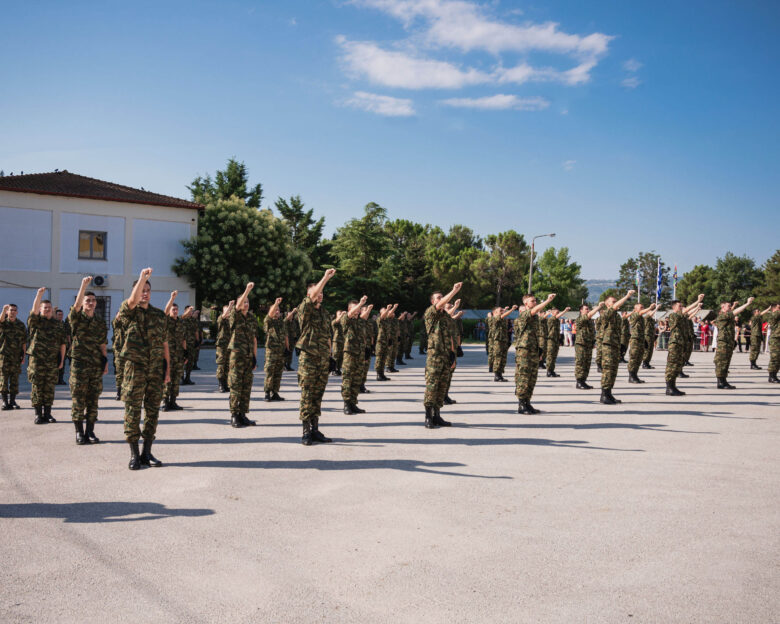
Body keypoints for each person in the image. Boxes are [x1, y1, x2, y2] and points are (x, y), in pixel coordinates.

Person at [118, 268, 170, 470]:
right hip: (135, 370)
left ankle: (147, 452)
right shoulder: (128, 311)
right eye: (141, 289)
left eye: (148, 289)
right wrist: (142, 278)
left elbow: (165, 344)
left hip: (155, 371)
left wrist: (167, 370)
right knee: (132, 412)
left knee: (152, 412)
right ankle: (134, 455)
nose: (145, 293)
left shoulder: (158, 315)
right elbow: (131, 301)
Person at [296, 269, 337, 445]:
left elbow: (328, 336)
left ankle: (315, 429)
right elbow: (312, 296)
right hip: (309, 358)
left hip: (322, 358)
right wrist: (326, 277)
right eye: (317, 292)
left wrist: (330, 356)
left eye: (322, 293)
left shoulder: (325, 313)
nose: (320, 295)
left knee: (318, 395)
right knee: (307, 394)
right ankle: (305, 431)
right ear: (309, 294)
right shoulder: (305, 308)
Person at [68, 276, 108, 444]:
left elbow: (102, 343)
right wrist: (83, 285)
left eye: (92, 300)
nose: (90, 303)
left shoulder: (99, 322)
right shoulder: (77, 318)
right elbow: (76, 306)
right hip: (79, 365)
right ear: (83, 303)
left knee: (93, 399)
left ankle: (90, 431)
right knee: (78, 398)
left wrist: (105, 361)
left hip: (95, 365)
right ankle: (79, 432)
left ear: (96, 303)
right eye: (87, 300)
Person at [422, 283, 462, 428]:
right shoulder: (430, 313)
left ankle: (437, 415)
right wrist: (453, 291)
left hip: (446, 355)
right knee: (432, 386)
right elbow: (441, 305)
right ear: (433, 302)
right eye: (438, 298)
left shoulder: (446, 317)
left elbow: (450, 336)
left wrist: (453, 353)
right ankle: (428, 416)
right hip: (435, 356)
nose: (441, 299)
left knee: (442, 387)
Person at [27, 288, 66, 424]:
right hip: (37, 360)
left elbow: (63, 343)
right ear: (40, 309)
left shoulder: (58, 325)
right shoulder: (36, 321)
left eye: (49, 307)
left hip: (52, 361)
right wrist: (39, 295)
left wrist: (61, 360)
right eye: (44, 308)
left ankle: (48, 413)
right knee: (37, 387)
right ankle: (38, 414)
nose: (47, 309)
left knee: (49, 387)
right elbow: (34, 310)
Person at [515, 293, 556, 414]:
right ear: (526, 304)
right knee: (524, 377)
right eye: (532, 301)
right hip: (524, 350)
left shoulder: (534, 318)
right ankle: (521, 404)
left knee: (532, 377)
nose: (535, 303)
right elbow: (535, 310)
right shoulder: (523, 315)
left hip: (532, 349)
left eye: (535, 301)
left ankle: (527, 402)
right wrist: (548, 300)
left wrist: (539, 350)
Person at [228, 282, 258, 427]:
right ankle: (234, 415)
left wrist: (254, 357)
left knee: (246, 386)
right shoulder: (236, 314)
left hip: (248, 356)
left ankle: (242, 414)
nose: (245, 304)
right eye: (244, 301)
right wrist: (247, 290)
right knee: (236, 385)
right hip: (237, 356)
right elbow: (238, 305)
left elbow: (254, 339)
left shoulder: (252, 319)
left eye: (247, 302)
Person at [598, 290, 636, 405]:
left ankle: (609, 393)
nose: (615, 303)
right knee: (608, 370)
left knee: (613, 371)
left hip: (614, 345)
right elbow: (614, 307)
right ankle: (604, 395)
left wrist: (621, 346)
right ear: (607, 304)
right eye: (613, 302)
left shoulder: (617, 317)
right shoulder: (606, 313)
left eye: (615, 301)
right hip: (608, 346)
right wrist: (627, 296)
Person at [664, 295, 704, 395]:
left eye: (682, 306)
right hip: (675, 343)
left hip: (680, 343)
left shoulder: (681, 316)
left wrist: (697, 308)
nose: (682, 308)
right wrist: (697, 301)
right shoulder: (673, 315)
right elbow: (687, 311)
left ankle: (672, 386)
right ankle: (669, 387)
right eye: (679, 306)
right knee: (672, 365)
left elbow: (689, 314)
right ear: (674, 307)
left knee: (677, 365)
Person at [713, 297, 754, 389]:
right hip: (723, 342)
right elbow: (735, 312)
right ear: (722, 307)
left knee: (726, 362)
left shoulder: (727, 315)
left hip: (728, 341)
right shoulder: (722, 316)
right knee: (722, 362)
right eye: (728, 306)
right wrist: (747, 304)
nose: (730, 307)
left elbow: (732, 312)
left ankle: (723, 381)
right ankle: (720, 382)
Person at [341, 296, 369, 414]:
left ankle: (353, 403)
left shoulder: (360, 321)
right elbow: (350, 314)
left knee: (357, 380)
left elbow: (363, 336)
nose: (357, 310)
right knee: (348, 379)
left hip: (360, 354)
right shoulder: (345, 318)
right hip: (350, 354)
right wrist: (360, 303)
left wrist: (367, 349)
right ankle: (346, 404)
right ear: (349, 309)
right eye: (355, 308)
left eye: (359, 308)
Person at [0, 303, 26, 410]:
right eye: (11, 310)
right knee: (3, 379)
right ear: (7, 312)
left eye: (15, 310)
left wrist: (23, 356)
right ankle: (5, 402)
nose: (13, 312)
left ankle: (13, 401)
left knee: (15, 380)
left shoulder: (20, 325)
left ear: (17, 312)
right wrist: (3, 309)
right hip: (4, 357)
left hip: (16, 357)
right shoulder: (4, 323)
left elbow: (24, 342)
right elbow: (0, 320)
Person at [163, 293, 186, 412]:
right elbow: (166, 311)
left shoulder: (181, 323)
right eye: (173, 309)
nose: (175, 311)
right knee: (167, 378)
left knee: (176, 379)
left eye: (177, 309)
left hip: (178, 355)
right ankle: (165, 402)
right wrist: (172, 298)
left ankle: (173, 401)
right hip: (168, 355)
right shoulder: (167, 320)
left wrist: (185, 352)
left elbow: (183, 339)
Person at [263, 297, 288, 402]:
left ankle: (275, 392)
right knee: (270, 372)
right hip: (271, 352)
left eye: (278, 310)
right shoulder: (268, 321)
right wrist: (275, 303)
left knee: (278, 372)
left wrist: (287, 348)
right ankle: (267, 392)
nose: (277, 312)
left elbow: (285, 335)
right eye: (275, 310)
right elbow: (269, 316)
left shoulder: (281, 322)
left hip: (280, 351)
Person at [574, 302, 603, 389]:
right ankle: (579, 381)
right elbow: (589, 315)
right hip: (581, 344)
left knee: (587, 364)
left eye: (588, 309)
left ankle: (583, 380)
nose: (588, 310)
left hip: (588, 344)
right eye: (586, 309)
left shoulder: (590, 321)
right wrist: (599, 307)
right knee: (581, 363)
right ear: (581, 310)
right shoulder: (580, 319)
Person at [627, 303, 657, 384]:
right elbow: (641, 313)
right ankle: (631, 376)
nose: (643, 308)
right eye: (641, 307)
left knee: (639, 359)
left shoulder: (641, 318)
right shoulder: (634, 315)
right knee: (634, 359)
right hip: (635, 340)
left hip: (641, 340)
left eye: (643, 307)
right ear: (635, 309)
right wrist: (650, 307)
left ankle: (635, 375)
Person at [442, 300, 463, 405]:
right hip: (445, 350)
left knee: (450, 374)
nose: (451, 309)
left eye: (452, 307)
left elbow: (457, 334)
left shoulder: (453, 321)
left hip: (453, 349)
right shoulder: (442, 318)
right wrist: (455, 307)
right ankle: (441, 396)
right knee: (444, 374)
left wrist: (458, 347)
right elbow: (446, 315)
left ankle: (445, 395)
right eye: (448, 307)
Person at [491, 305, 517, 382]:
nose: (502, 312)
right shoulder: (495, 318)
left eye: (502, 311)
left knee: (503, 358)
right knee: (498, 358)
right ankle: (496, 375)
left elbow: (503, 315)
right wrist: (512, 309)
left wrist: (504, 310)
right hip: (498, 341)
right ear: (495, 312)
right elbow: (502, 316)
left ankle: (500, 375)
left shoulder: (501, 319)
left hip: (503, 341)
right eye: (500, 311)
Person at [545, 307, 571, 377]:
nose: (558, 314)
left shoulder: (557, 320)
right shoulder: (551, 319)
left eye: (558, 312)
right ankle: (549, 371)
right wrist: (565, 311)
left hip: (555, 339)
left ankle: (552, 370)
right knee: (550, 356)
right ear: (553, 313)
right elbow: (556, 317)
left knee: (554, 356)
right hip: (551, 339)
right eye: (557, 312)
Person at [375, 303, 397, 381]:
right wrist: (389, 308)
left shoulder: (387, 320)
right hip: (380, 342)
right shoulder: (379, 319)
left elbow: (390, 314)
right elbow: (386, 314)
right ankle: (378, 374)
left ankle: (382, 374)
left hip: (386, 341)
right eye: (384, 311)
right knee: (379, 358)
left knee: (384, 358)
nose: (386, 312)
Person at [215, 302, 234, 392]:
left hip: (230, 345)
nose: (228, 312)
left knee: (228, 365)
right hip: (222, 346)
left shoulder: (231, 320)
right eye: (226, 311)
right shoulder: (220, 318)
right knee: (221, 365)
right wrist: (230, 306)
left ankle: (226, 383)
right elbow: (224, 316)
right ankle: (220, 384)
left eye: (229, 311)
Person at [181, 306, 198, 385]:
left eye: (192, 311)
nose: (191, 312)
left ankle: (187, 378)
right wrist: (189, 310)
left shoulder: (193, 320)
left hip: (191, 344)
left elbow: (196, 331)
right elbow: (183, 316)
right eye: (189, 311)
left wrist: (197, 340)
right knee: (181, 362)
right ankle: (181, 378)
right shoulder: (182, 319)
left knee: (190, 362)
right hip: (182, 344)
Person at [763, 303, 780, 383]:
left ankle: (774, 375)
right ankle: (771, 376)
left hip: (778, 338)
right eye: (778, 308)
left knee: (778, 358)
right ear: (773, 309)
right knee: (775, 358)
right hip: (775, 339)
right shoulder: (773, 315)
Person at [54, 308, 71, 385]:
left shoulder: (65, 324)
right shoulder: (53, 324)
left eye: (61, 315)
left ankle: (60, 379)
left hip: (64, 347)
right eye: (59, 315)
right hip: (55, 347)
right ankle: (54, 379)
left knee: (62, 363)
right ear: (55, 315)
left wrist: (70, 345)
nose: (61, 316)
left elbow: (68, 335)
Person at [111, 311, 125, 400]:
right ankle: (119, 392)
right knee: (119, 372)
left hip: (130, 351)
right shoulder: (117, 324)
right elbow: (116, 319)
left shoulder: (129, 323)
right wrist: (121, 310)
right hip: (119, 352)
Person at [330, 310, 345, 376]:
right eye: (339, 314)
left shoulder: (343, 322)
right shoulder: (335, 322)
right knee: (335, 355)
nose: (341, 315)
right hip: (337, 341)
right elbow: (335, 322)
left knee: (341, 356)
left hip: (343, 341)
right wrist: (341, 315)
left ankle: (338, 369)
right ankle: (333, 370)